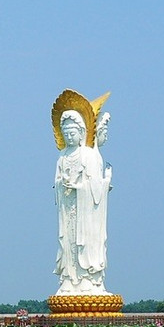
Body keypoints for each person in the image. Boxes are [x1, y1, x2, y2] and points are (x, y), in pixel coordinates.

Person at [54, 108, 112, 294]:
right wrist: (63, 185)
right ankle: (69, 281)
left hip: (86, 213)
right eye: (66, 133)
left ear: (81, 133)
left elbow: (95, 186)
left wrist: (81, 187)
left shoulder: (89, 155)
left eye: (73, 133)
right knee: (68, 244)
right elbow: (57, 182)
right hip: (68, 210)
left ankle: (88, 280)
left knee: (85, 243)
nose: (69, 137)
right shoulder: (62, 157)